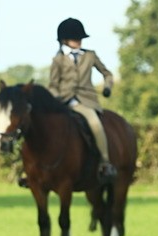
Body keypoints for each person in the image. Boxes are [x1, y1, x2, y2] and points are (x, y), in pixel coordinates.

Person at [48, 17, 116, 181]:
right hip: (63, 102)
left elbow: (107, 74)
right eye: (74, 38)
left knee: (94, 123)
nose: (78, 41)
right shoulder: (58, 60)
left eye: (80, 38)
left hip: (86, 101)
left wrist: (107, 87)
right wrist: (56, 99)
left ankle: (105, 162)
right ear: (64, 40)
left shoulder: (90, 56)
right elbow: (53, 84)